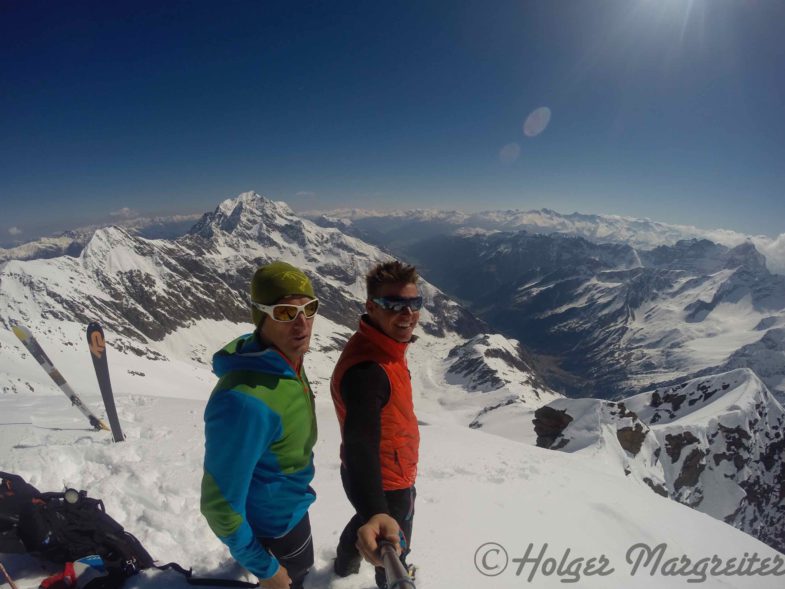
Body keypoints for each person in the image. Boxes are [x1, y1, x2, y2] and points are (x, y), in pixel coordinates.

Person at [200, 261, 319, 589]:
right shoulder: (243, 401)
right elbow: (219, 507)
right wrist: (266, 569)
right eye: (284, 313)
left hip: (287, 505)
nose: (302, 324)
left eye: (309, 309)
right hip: (278, 526)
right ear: (261, 316)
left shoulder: (283, 360)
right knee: (296, 575)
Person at [331, 260, 422, 589]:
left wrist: (370, 510)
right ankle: (390, 580)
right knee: (391, 545)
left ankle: (343, 565)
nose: (407, 313)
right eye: (395, 304)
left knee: (365, 521)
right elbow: (360, 442)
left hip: (374, 473)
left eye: (414, 304)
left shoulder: (383, 349)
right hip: (387, 480)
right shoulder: (369, 371)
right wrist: (377, 509)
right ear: (371, 307)